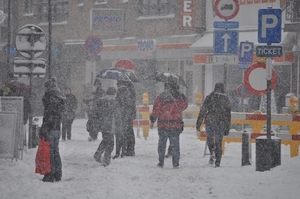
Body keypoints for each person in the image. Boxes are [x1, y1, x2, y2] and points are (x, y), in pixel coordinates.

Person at [150, 81, 188, 169]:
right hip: (176, 124)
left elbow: (156, 109)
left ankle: (161, 161)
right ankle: (175, 162)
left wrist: (153, 120)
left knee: (162, 143)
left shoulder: (161, 97)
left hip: (163, 123)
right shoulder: (181, 97)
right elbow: (184, 106)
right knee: (175, 144)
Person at [196, 82, 231, 168]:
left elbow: (203, 110)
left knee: (210, 139)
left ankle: (212, 152)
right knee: (219, 142)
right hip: (221, 122)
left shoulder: (210, 97)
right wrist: (227, 127)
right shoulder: (225, 99)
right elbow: (228, 114)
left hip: (210, 121)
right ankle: (217, 161)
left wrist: (199, 122)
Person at [39, 78, 66, 182]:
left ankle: (49, 175)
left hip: (50, 128)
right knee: (55, 151)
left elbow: (49, 115)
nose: (44, 90)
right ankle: (57, 174)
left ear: (47, 88)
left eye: (45, 88)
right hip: (57, 128)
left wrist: (44, 129)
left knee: (49, 152)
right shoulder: (58, 97)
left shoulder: (50, 98)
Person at [93, 87, 117, 167]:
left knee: (105, 140)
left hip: (102, 124)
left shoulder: (100, 100)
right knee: (110, 143)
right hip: (110, 124)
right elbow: (116, 113)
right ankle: (106, 159)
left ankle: (98, 153)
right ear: (114, 93)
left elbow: (96, 112)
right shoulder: (113, 101)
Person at [113, 80, 131, 159]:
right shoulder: (127, 91)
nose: (117, 85)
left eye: (117, 83)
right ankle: (123, 151)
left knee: (118, 135)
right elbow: (128, 104)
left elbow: (118, 103)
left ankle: (117, 152)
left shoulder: (120, 91)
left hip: (119, 116)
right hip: (125, 116)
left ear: (120, 84)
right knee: (124, 134)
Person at [124, 81, 136, 156]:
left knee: (127, 132)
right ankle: (130, 149)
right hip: (129, 114)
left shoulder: (126, 91)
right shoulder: (131, 89)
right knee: (130, 132)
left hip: (126, 114)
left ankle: (128, 149)